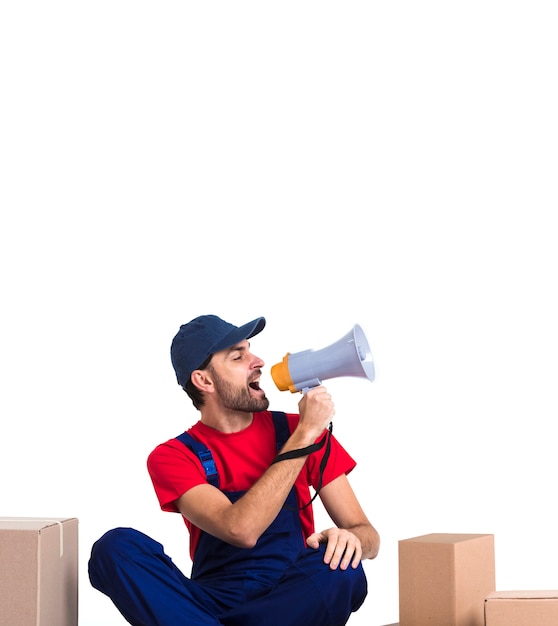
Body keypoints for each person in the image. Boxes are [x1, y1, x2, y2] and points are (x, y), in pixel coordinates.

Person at [88, 314, 380, 626]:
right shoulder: (174, 456)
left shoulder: (297, 430)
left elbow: (368, 536)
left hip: (291, 596)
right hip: (211, 602)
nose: (259, 361)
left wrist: (351, 541)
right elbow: (240, 530)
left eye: (250, 350)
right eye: (238, 356)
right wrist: (305, 435)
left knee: (342, 566)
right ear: (204, 381)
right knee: (115, 548)